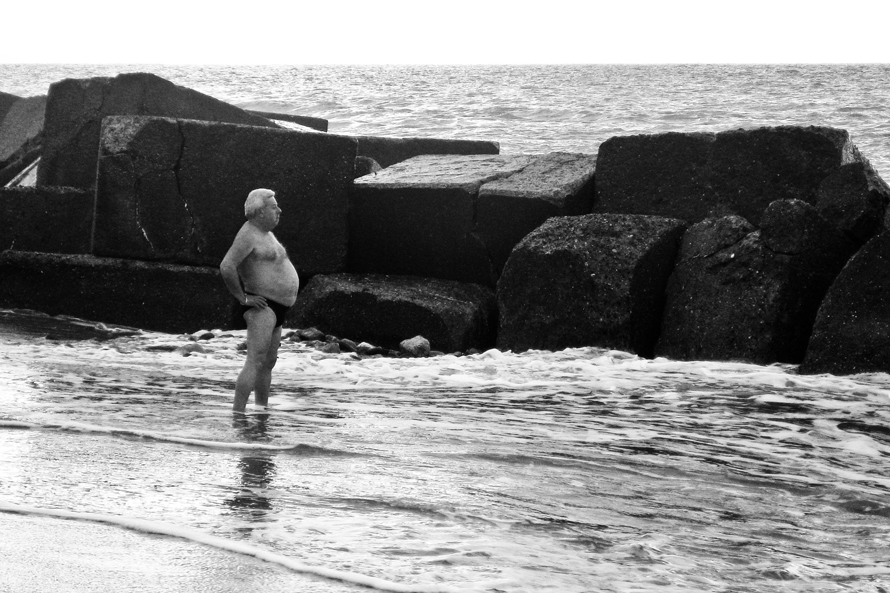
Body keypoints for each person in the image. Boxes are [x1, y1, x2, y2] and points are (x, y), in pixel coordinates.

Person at [220, 188, 300, 413]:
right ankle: (237, 414)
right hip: (262, 305)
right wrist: (243, 298)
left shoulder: (266, 233)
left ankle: (261, 410)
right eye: (274, 207)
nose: (279, 210)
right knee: (255, 360)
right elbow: (227, 266)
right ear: (260, 211)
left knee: (269, 362)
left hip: (277, 306)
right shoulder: (248, 234)